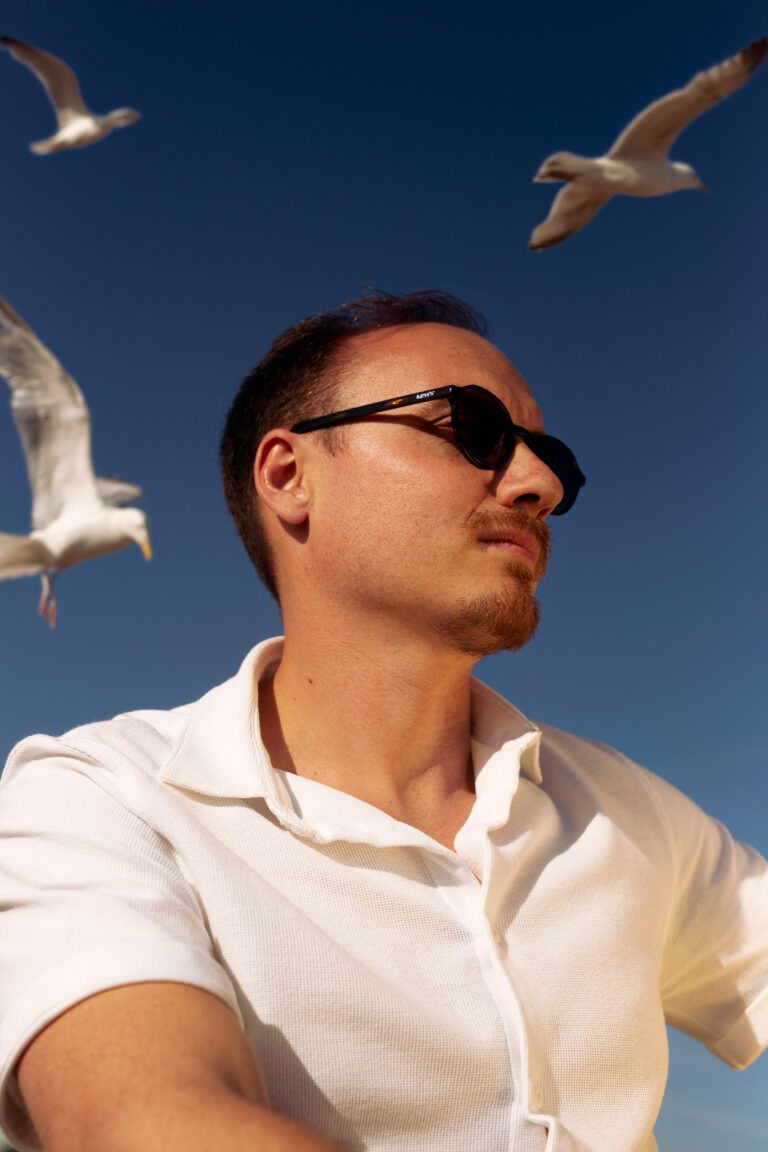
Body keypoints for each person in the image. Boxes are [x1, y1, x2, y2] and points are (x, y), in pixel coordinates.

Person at [0, 290, 766, 1152]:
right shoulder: (106, 801)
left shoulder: (630, 815)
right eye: (473, 428)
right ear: (289, 476)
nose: (540, 483)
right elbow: (149, 1128)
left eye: (550, 457)